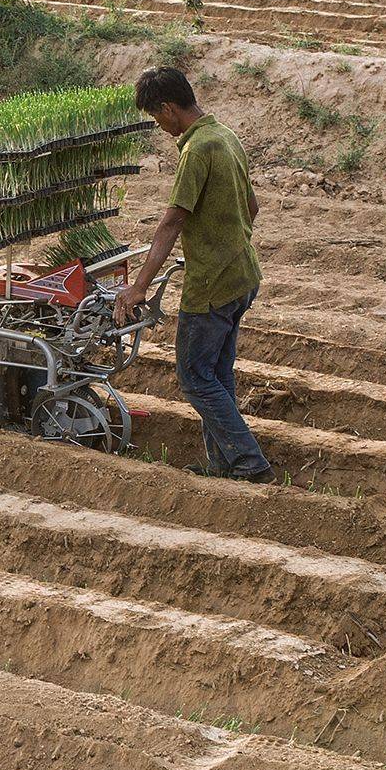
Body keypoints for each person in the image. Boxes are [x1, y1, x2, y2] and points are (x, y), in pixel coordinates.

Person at [114, 65, 272, 483]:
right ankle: (223, 464)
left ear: (167, 109)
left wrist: (138, 287)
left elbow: (172, 222)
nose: (159, 126)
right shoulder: (226, 136)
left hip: (212, 287)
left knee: (194, 378)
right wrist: (227, 242)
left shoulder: (196, 150)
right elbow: (251, 207)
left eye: (155, 117)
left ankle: (249, 462)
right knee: (217, 375)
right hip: (242, 276)